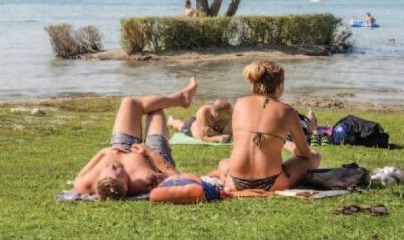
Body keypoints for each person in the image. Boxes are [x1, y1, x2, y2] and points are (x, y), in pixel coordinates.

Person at [73, 78, 197, 199]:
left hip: (121, 147)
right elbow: (177, 178)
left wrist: (105, 152)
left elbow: (96, 160)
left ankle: (181, 98)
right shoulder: (143, 181)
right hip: (153, 157)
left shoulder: (83, 183)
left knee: (129, 102)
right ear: (126, 187)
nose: (114, 166)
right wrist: (150, 153)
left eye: (111, 168)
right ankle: (182, 98)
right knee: (155, 111)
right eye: (119, 172)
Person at [214, 61, 320, 191]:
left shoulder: (239, 104)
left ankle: (225, 178)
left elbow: (242, 143)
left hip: (235, 182)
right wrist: (290, 147)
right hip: (271, 183)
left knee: (223, 163)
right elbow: (305, 154)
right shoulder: (287, 111)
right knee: (314, 157)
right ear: (279, 85)